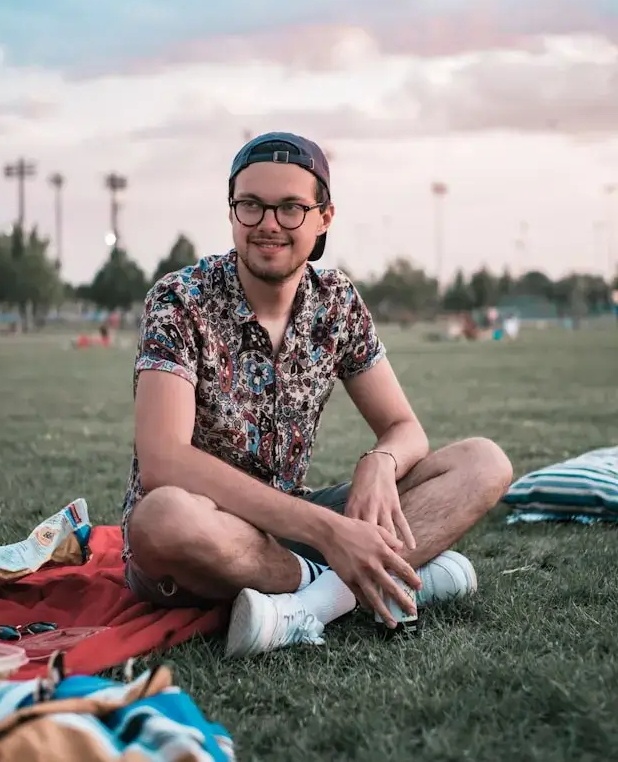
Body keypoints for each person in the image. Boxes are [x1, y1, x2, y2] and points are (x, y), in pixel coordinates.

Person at [122, 132, 513, 658]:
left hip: (290, 528)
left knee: (483, 462)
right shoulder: (180, 299)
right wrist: (330, 532)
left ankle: (317, 602)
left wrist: (380, 462)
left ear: (324, 217)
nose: (267, 224)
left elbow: (405, 428)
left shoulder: (336, 302)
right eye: (251, 206)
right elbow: (163, 461)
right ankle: (370, 578)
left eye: (290, 208)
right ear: (232, 211)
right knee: (160, 518)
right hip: (209, 533)